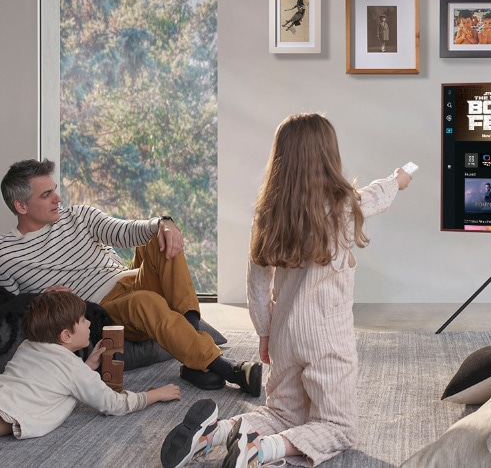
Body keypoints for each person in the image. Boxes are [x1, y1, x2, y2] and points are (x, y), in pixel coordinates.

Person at [160, 113, 413, 468]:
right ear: (327, 156)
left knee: (281, 413)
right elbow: (376, 195)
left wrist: (265, 333)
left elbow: (257, 284)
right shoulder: (341, 206)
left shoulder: (267, 215)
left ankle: (213, 434)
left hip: (284, 333)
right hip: (327, 337)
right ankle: (260, 451)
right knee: (339, 428)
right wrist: (398, 179)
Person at [0, 159, 262, 395]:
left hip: (131, 278)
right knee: (145, 302)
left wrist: (165, 223)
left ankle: (193, 343)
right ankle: (229, 369)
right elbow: (9, 307)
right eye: (47, 195)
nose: (58, 198)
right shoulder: (5, 254)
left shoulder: (78, 216)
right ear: (21, 205)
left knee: (158, 237)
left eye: (55, 189)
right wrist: (38, 298)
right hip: (104, 306)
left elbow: (127, 231)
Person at [0, 291, 181, 439]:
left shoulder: (27, 346)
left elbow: (49, 379)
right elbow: (113, 403)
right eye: (82, 320)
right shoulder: (72, 368)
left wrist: (87, 367)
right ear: (66, 336)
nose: (89, 323)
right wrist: (154, 395)